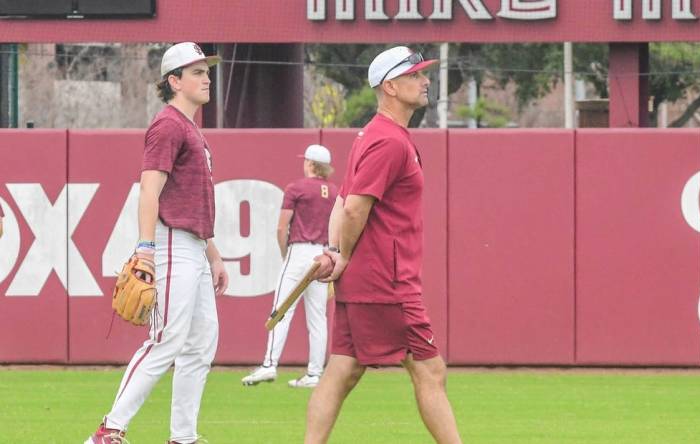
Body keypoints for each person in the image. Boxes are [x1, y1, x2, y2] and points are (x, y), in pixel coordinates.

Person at [305, 46, 462, 444]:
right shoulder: (388, 142)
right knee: (430, 370)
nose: (425, 81)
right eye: (415, 76)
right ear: (390, 86)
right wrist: (342, 254)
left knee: (343, 368)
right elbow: (354, 208)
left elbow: (343, 201)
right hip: (387, 282)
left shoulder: (372, 135)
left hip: (370, 279)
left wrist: (337, 253)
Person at [85, 42, 228, 444]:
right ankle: (109, 430)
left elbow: (194, 202)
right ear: (174, 80)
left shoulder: (190, 128)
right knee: (165, 341)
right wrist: (146, 248)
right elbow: (149, 190)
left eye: (207, 70)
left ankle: (183, 437)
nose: (207, 78)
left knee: (200, 346)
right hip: (170, 243)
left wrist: (213, 255)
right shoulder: (168, 124)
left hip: (194, 246)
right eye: (197, 72)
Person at [241, 144, 338, 389]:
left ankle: (269, 365)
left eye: (306, 160)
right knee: (318, 317)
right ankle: (315, 373)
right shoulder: (336, 192)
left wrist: (286, 254)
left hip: (299, 251)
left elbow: (281, 227)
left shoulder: (297, 188)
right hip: (324, 254)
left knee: (281, 309)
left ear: (311, 164)